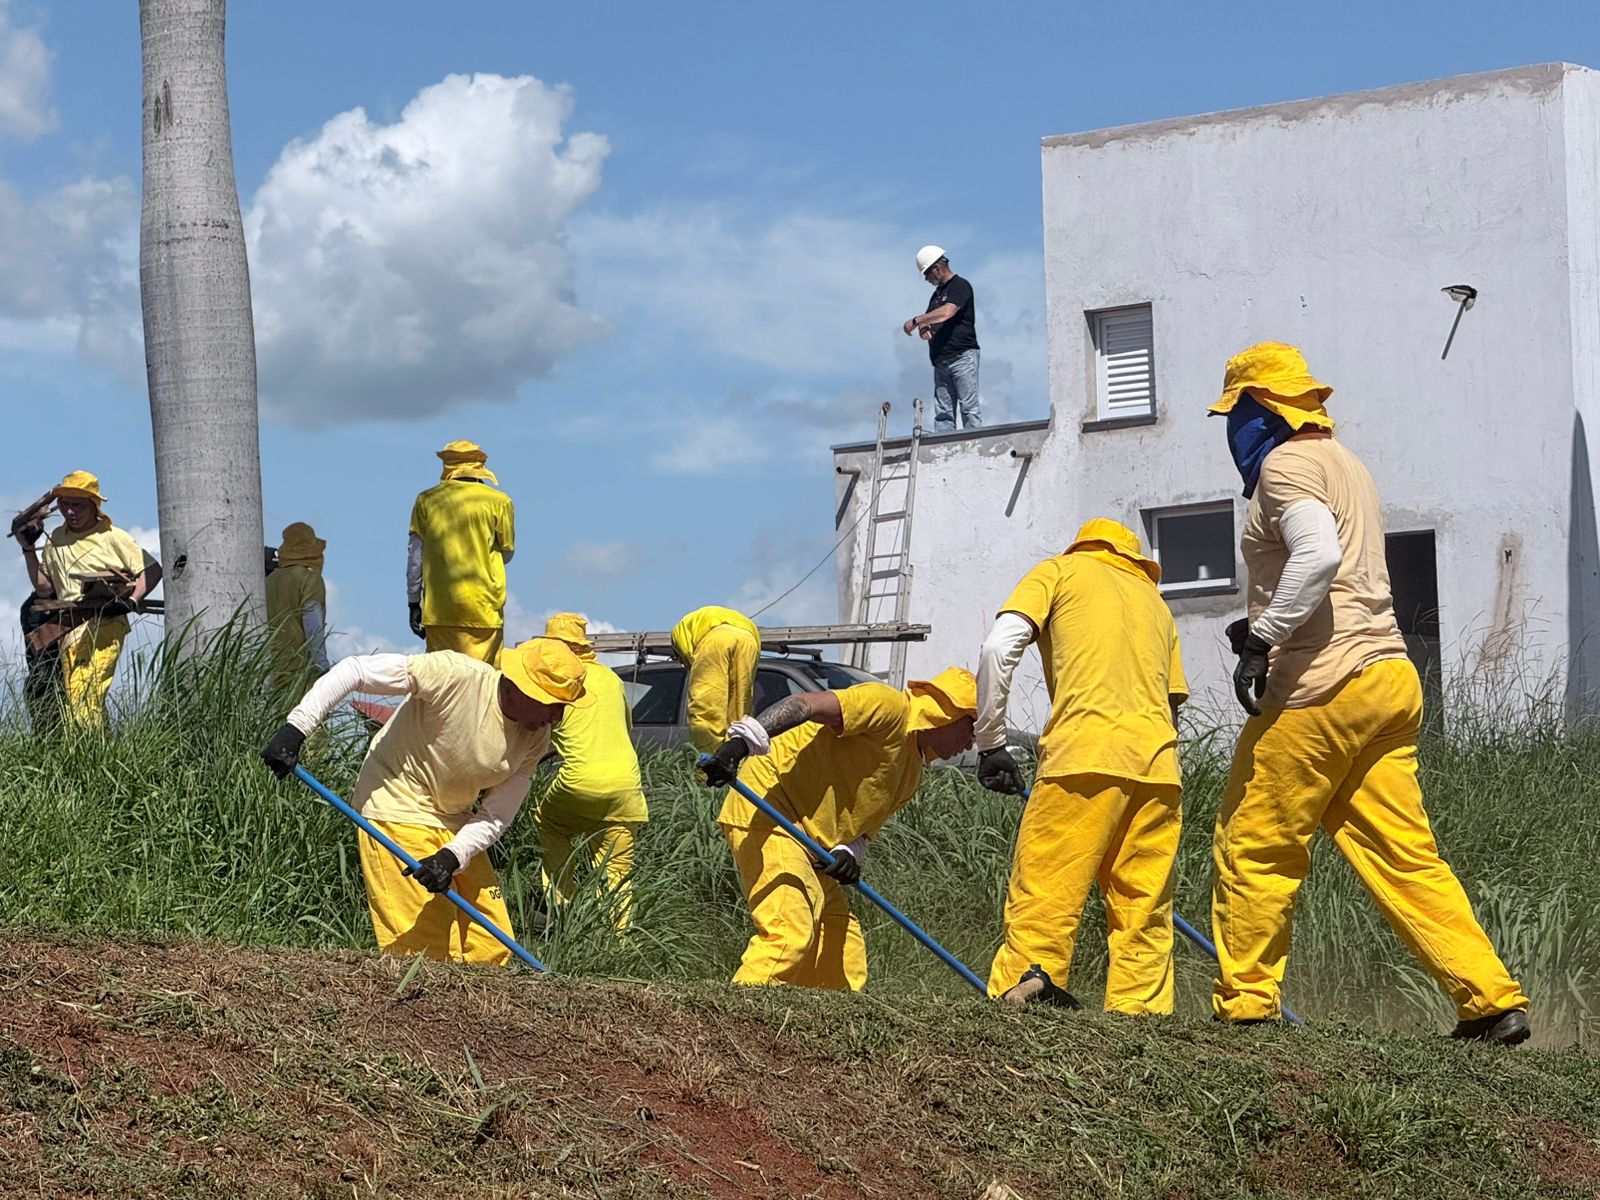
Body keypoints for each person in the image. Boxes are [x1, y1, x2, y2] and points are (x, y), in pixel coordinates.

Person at [1208, 341, 1530, 1043]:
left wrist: (1264, 639)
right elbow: (1340, 570)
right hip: (1388, 679)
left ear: (1256, 408)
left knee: (1252, 842)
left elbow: (1319, 554)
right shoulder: (1347, 464)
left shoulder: (1286, 466)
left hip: (1321, 689)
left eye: (1232, 411)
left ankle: (1246, 1009)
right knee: (1405, 855)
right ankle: (1490, 1001)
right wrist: (1264, 619)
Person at [260, 637, 590, 964]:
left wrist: (452, 855)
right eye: (552, 703)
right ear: (520, 687)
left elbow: (496, 814)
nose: (557, 717)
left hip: (454, 819)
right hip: (395, 804)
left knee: (491, 945)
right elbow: (354, 671)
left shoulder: (536, 737)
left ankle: (476, 1015)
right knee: (426, 950)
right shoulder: (454, 675)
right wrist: (297, 728)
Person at [975, 519, 1188, 1013]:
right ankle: (1143, 1020)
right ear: (1135, 558)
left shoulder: (1059, 572)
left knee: (1046, 893)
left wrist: (991, 744)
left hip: (1081, 760)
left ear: (1083, 545)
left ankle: (1024, 998)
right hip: (1159, 770)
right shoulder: (1156, 604)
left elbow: (998, 646)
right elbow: (1172, 706)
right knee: (1144, 910)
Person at [700, 667, 977, 991]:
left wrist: (847, 853)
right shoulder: (888, 707)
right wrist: (741, 744)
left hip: (809, 840)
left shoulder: (912, 773)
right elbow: (805, 704)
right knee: (790, 930)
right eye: (971, 727)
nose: (972, 741)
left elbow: (861, 832)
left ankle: (827, 1024)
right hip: (770, 807)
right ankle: (730, 1019)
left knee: (840, 935)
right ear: (948, 713)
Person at [14, 471, 161, 729]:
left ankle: (84, 755)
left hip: (105, 624)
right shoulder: (57, 539)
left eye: (77, 505)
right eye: (64, 504)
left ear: (94, 505)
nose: (69, 511)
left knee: (85, 697)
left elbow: (152, 569)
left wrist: (134, 599)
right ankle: (96, 757)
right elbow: (45, 588)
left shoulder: (113, 536)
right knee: (77, 699)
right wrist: (28, 549)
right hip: (68, 630)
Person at [536, 612, 648, 929]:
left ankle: (562, 915)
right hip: (627, 786)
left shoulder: (555, 678)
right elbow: (623, 730)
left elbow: (542, 734)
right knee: (617, 870)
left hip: (577, 782)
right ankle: (617, 943)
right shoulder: (612, 679)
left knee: (550, 824)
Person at [407, 440, 515, 664]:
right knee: (484, 683)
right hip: (485, 608)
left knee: (442, 683)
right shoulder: (500, 502)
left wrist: (413, 602)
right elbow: (507, 552)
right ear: (479, 466)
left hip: (439, 610)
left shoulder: (426, 500)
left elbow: (415, 557)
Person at [903, 245, 980, 433]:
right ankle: (945, 450)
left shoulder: (960, 286)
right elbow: (932, 320)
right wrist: (924, 328)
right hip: (941, 360)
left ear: (936, 269)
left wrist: (917, 320)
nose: (926, 280)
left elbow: (947, 312)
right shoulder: (936, 296)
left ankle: (976, 447)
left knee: (968, 408)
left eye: (927, 275)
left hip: (961, 357)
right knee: (943, 413)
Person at [670, 605, 760, 754]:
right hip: (749, 639)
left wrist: (707, 755)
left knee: (706, 705)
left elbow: (706, 707)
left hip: (717, 640)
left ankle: (713, 764)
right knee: (740, 707)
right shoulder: (696, 625)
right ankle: (736, 759)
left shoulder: (683, 637)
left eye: (677, 657)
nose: (681, 663)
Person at [265, 522, 331, 683]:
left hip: (271, 671)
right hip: (300, 675)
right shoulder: (310, 580)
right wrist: (323, 668)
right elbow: (312, 626)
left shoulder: (268, 580)